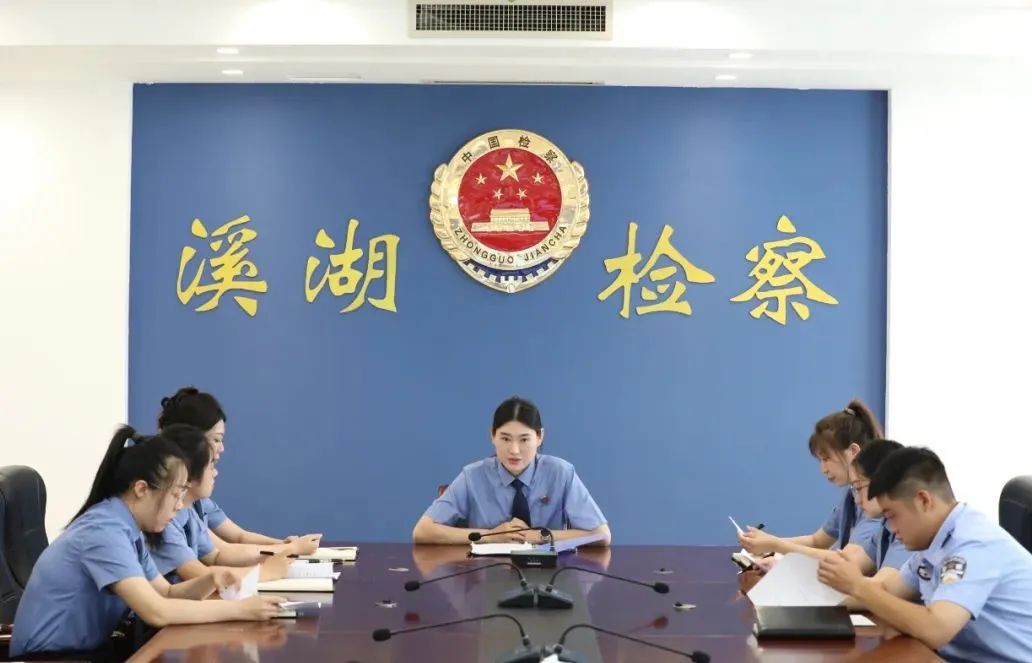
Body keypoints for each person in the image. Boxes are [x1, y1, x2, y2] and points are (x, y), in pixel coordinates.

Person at [11, 426, 283, 657]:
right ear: (141, 489)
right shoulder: (103, 532)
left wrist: (210, 579)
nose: (180, 506)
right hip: (51, 659)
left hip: (87, 654)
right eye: (176, 494)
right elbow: (156, 612)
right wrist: (239, 610)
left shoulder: (128, 529)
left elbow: (166, 593)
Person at [818, 447, 1032, 662]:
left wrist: (858, 585)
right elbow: (886, 590)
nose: (891, 528)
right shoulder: (932, 544)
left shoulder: (973, 545)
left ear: (924, 501)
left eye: (892, 515)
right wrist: (819, 603)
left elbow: (936, 629)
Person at [412, 397, 610, 546]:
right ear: (492, 435)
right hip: (486, 575)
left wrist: (542, 536)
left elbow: (601, 535)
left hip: (549, 577)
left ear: (539, 437)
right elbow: (422, 531)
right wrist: (491, 536)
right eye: (505, 439)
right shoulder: (472, 476)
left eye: (524, 440)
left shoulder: (561, 473)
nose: (514, 450)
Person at [157, 387, 320, 553]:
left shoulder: (194, 503)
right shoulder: (168, 512)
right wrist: (289, 549)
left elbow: (237, 538)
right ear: (190, 440)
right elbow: (220, 554)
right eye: (216, 439)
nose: (222, 448)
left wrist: (286, 546)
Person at [739, 400, 883, 564]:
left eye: (826, 459)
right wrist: (767, 546)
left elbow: (846, 560)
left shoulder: (875, 501)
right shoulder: (852, 495)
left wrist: (774, 545)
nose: (823, 469)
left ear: (853, 451)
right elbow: (817, 541)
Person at [150, 425, 291, 583]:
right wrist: (265, 571)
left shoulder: (189, 512)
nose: (215, 472)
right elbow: (200, 575)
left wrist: (280, 552)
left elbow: (215, 555)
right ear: (188, 474)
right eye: (211, 466)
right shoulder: (164, 522)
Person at [849, 439, 910, 579]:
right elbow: (852, 565)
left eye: (859, 488)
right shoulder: (885, 527)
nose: (857, 500)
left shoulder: (909, 527)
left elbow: (882, 586)